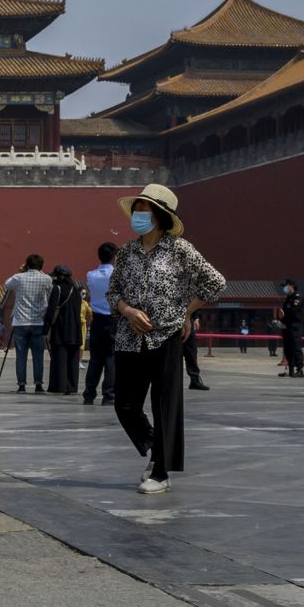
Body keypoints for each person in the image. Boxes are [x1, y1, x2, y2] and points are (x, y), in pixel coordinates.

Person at [107, 184, 225, 495]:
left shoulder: (180, 250)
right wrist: (128, 310)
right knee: (125, 405)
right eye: (136, 210)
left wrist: (187, 312)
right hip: (129, 338)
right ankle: (155, 446)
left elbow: (215, 282)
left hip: (167, 336)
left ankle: (161, 471)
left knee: (165, 406)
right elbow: (112, 292)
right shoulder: (127, 253)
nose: (138, 216)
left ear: (159, 216)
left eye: (144, 210)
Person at [3, 254, 52, 393]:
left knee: (21, 355)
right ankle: (38, 384)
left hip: (20, 322)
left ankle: (21, 385)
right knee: (38, 355)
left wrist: (20, 272)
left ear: (26, 265)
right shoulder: (46, 279)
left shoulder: (19, 278)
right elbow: (52, 291)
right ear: (41, 266)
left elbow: (7, 284)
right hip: (38, 322)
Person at [82, 241, 117, 405]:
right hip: (113, 319)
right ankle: (109, 394)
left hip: (97, 320)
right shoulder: (117, 274)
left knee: (95, 358)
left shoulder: (91, 275)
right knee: (111, 358)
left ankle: (89, 394)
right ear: (114, 257)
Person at [45, 265, 83, 395]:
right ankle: (72, 386)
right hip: (76, 330)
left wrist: (45, 328)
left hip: (61, 329)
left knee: (59, 359)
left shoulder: (58, 289)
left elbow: (51, 311)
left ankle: (59, 386)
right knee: (73, 360)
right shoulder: (76, 290)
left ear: (61, 276)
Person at [274, 279, 304, 378]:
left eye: (285, 286)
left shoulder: (297, 298)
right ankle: (291, 369)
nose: (284, 288)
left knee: (296, 347)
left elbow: (293, 312)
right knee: (288, 348)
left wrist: (285, 321)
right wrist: (281, 322)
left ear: (291, 285)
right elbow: (284, 313)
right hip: (287, 327)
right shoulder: (288, 298)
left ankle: (299, 370)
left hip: (295, 326)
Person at [183, 315, 208, 390]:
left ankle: (194, 379)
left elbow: (192, 303)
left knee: (192, 351)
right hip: (171, 317)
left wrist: (196, 318)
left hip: (187, 316)